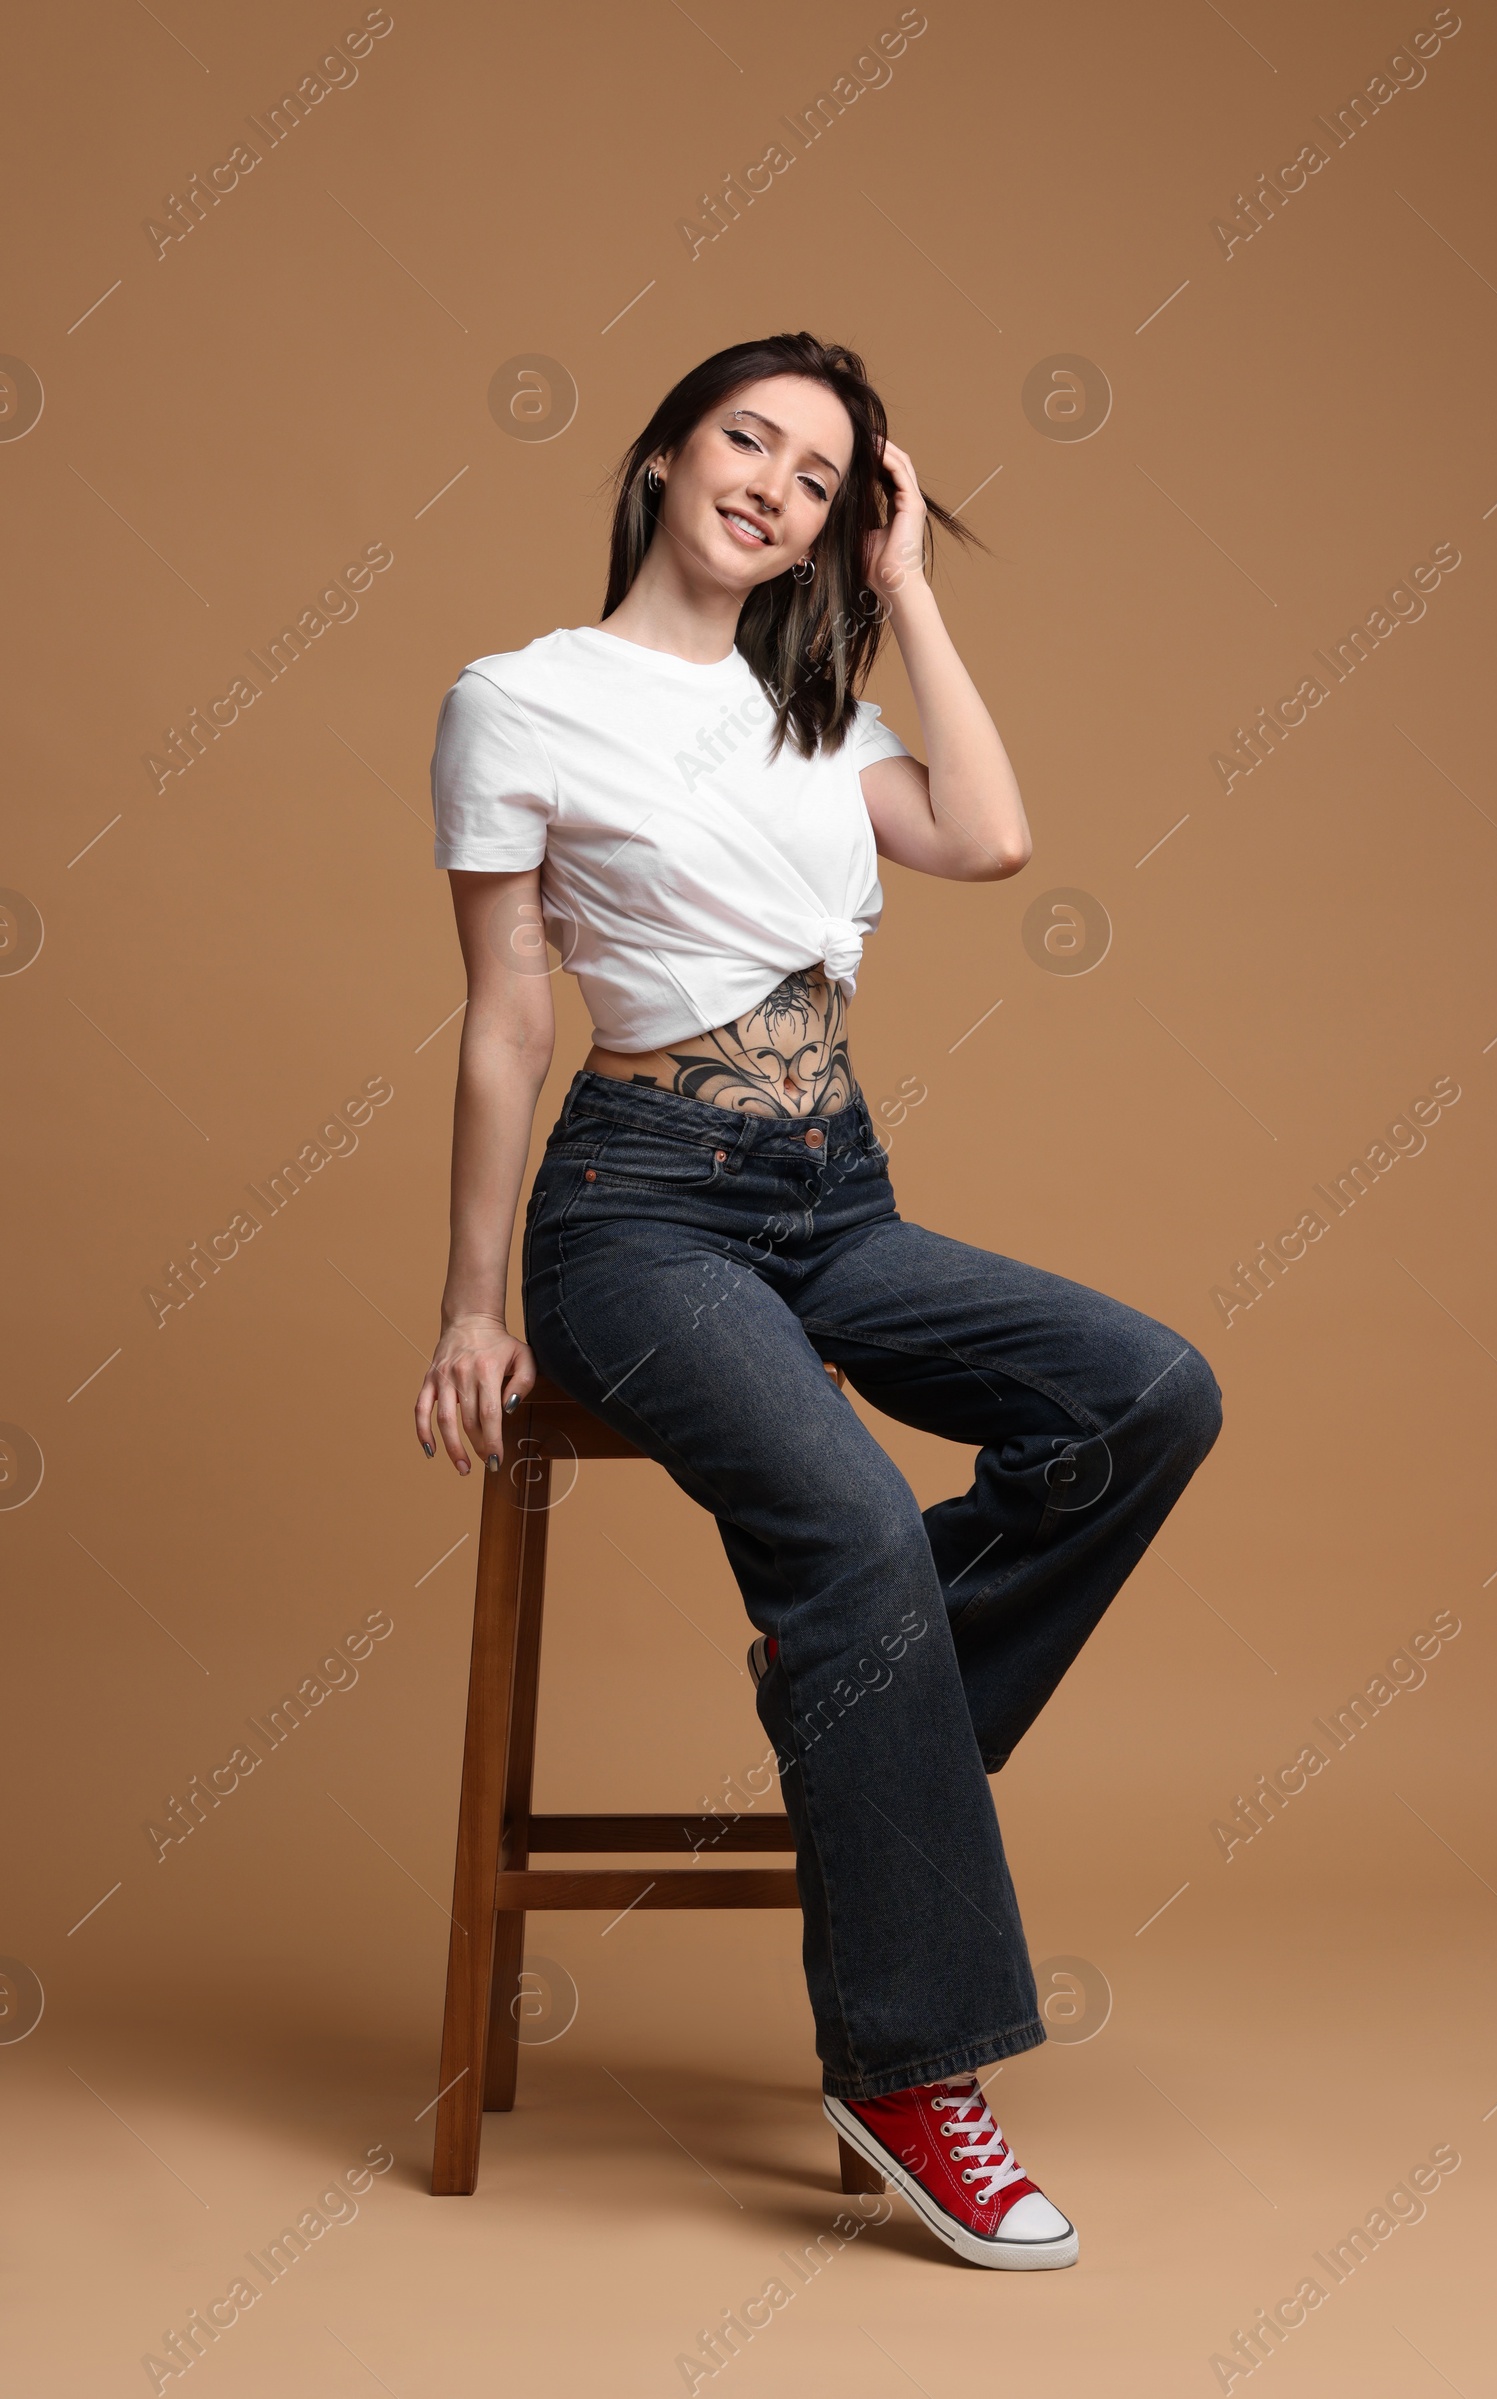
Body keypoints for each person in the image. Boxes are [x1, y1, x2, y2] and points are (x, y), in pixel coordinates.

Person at [417, 331, 1222, 2271]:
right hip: (640, 1221)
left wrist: (909, 592)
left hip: (832, 1197)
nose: (769, 482)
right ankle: (907, 2074)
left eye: (819, 473)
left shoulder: (819, 715)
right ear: (667, 452)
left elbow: (990, 836)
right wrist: (465, 1301)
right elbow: (506, 1014)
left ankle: (851, 1676)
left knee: (1143, 1393)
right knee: (855, 1526)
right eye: (744, 438)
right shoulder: (518, 699)